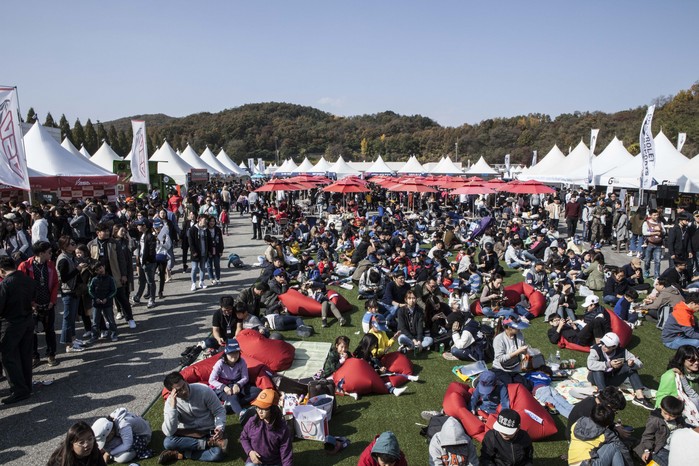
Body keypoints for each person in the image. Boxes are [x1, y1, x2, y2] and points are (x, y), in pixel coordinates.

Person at [159, 371, 227, 463]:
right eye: (178, 390)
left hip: (208, 430)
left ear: (185, 381)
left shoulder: (203, 390)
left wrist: (219, 427)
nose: (184, 391)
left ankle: (181, 454)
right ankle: (208, 443)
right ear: (171, 393)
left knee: (218, 454)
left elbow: (219, 410)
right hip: (187, 433)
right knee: (168, 442)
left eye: (184, 386)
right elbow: (169, 432)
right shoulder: (170, 404)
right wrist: (173, 409)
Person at [0, 255, 36, 404]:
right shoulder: (27, 279)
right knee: (25, 355)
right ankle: (26, 386)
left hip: (11, 323)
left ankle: (19, 389)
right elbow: (33, 297)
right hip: (27, 320)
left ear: (1, 270)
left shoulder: (5, 284)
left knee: (8, 357)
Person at [586, 332, 654, 410]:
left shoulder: (622, 351)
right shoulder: (596, 349)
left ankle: (640, 397)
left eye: (607, 345)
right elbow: (590, 364)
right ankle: (602, 395)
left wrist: (632, 363)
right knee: (597, 369)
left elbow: (640, 363)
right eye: (603, 343)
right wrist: (609, 364)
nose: (603, 346)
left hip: (612, 379)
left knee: (630, 367)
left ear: (614, 347)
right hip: (595, 378)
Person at [19, 241, 59, 367]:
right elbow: (20, 286)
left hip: (48, 303)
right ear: (41, 253)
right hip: (32, 306)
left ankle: (51, 355)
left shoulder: (50, 265)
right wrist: (31, 302)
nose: (51, 254)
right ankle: (34, 356)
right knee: (32, 332)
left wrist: (52, 301)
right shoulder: (25, 266)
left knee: (50, 331)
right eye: (49, 252)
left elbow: (55, 283)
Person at [208, 339, 261, 418]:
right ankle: (242, 414)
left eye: (236, 352)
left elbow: (245, 377)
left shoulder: (242, 362)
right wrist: (224, 387)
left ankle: (231, 405)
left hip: (237, 384)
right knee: (233, 396)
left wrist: (238, 384)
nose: (234, 355)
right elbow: (211, 380)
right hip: (223, 386)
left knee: (257, 391)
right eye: (231, 353)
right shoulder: (220, 363)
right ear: (226, 353)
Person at [239, 388, 293, 466]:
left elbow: (286, 453)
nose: (259, 411)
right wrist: (250, 452)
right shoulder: (252, 422)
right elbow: (243, 438)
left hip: (274, 463)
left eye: (264, 408)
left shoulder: (283, 429)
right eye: (257, 407)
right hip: (255, 461)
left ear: (273, 409)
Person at [568, 403, 633, 466]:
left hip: (572, 462)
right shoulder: (606, 434)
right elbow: (622, 449)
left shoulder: (578, 423)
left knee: (605, 447)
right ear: (607, 425)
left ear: (591, 413)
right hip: (588, 463)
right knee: (614, 446)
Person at [56, 235, 90, 353]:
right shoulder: (63, 259)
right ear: (64, 246)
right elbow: (64, 278)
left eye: (74, 243)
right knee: (68, 318)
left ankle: (73, 339)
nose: (74, 245)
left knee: (72, 317)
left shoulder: (71, 256)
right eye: (71, 244)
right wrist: (78, 269)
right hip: (68, 291)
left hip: (74, 290)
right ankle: (68, 344)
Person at [633, 395, 687, 466]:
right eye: (665, 413)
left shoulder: (679, 420)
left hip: (674, 447)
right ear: (661, 407)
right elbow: (648, 436)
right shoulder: (655, 420)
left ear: (678, 414)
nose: (668, 417)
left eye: (672, 416)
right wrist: (647, 450)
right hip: (659, 448)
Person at [655, 345, 699, 416]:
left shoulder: (695, 375)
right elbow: (660, 397)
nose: (697, 362)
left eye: (698, 359)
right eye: (692, 360)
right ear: (682, 360)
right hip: (676, 412)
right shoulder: (671, 376)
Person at [491, 316, 532, 390]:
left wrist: (525, 352)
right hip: (500, 369)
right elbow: (500, 358)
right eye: (517, 328)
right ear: (509, 328)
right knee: (509, 388)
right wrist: (517, 352)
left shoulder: (519, 335)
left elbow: (523, 350)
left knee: (528, 386)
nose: (519, 329)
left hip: (514, 369)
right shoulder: (499, 339)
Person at [88, 262, 118, 343]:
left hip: (107, 302)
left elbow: (114, 290)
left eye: (100, 268)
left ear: (104, 267)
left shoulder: (110, 279)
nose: (100, 270)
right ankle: (94, 336)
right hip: (96, 303)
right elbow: (90, 290)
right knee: (95, 320)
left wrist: (107, 298)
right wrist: (95, 298)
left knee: (110, 319)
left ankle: (114, 333)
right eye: (97, 270)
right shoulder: (94, 280)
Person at [188, 214, 211, 291]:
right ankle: (193, 283)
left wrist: (209, 251)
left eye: (207, 220)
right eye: (205, 219)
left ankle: (201, 281)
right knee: (194, 268)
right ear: (199, 219)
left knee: (202, 268)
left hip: (204, 252)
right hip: (195, 253)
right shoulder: (193, 229)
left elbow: (209, 241)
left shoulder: (206, 230)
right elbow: (190, 242)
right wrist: (193, 251)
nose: (206, 221)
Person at [643, 209, 665, 278]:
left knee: (657, 261)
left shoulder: (660, 223)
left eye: (657, 215)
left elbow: (664, 232)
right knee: (647, 260)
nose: (656, 216)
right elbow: (645, 232)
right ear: (650, 215)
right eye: (654, 215)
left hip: (658, 244)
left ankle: (657, 274)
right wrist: (655, 231)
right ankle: (646, 271)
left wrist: (660, 231)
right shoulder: (646, 223)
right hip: (649, 244)